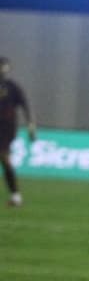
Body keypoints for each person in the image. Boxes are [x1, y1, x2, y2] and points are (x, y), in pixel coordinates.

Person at [0, 57, 36, 208]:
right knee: (4, 159)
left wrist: (31, 124)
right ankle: (16, 197)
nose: (3, 69)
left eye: (4, 66)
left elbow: (24, 104)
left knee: (4, 157)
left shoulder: (12, 87)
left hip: (6, 127)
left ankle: (16, 197)